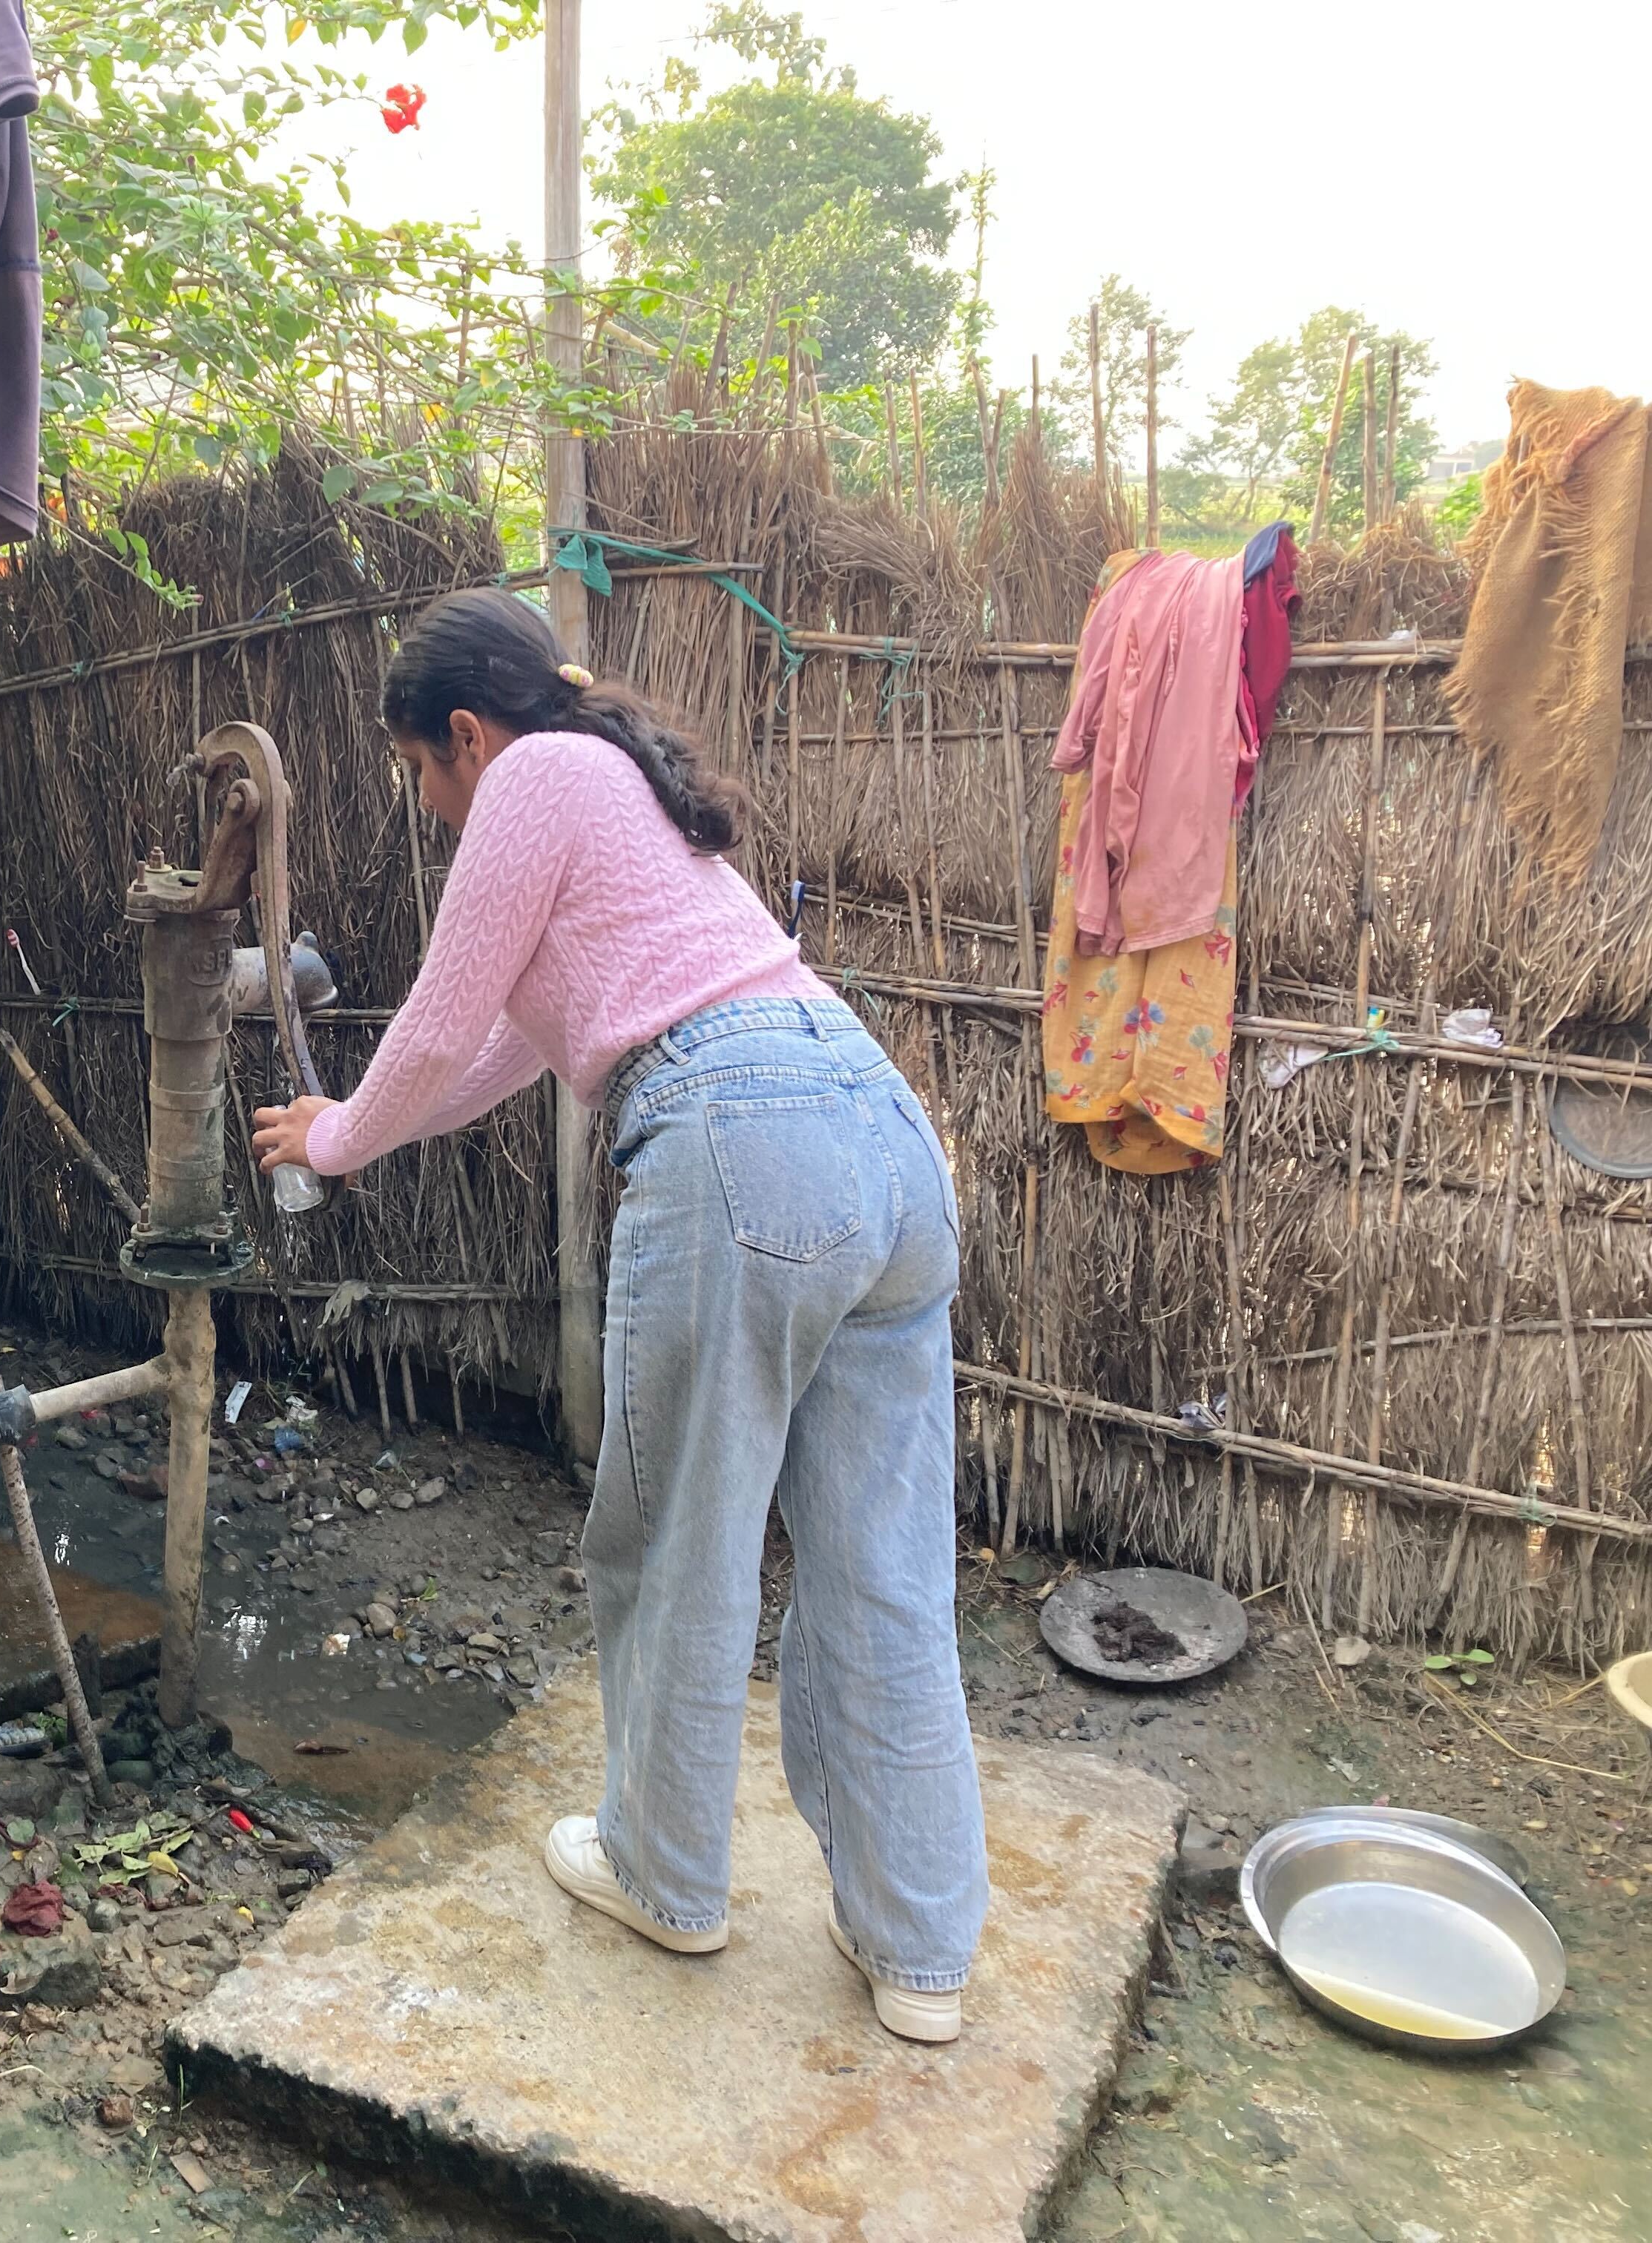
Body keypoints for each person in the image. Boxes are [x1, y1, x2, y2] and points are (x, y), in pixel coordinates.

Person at [249, 588, 987, 2043]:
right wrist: (353, 1124)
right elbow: (508, 1053)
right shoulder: (629, 815)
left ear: (466, 733)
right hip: (882, 1146)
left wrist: (333, 1142)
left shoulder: (537, 775)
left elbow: (443, 1019)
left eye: (418, 771)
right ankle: (919, 1954)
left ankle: (666, 1873)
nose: (431, 801)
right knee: (883, 1565)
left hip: (738, 1149)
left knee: (678, 1539)